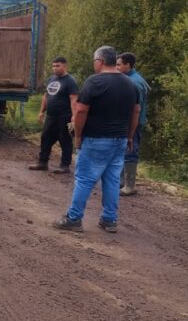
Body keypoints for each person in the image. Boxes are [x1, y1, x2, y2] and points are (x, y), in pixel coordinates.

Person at [54, 46, 140, 233]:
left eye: (95, 61)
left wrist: (77, 135)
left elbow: (81, 110)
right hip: (120, 140)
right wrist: (130, 136)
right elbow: (136, 111)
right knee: (111, 180)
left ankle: (74, 218)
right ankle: (109, 220)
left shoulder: (95, 82)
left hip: (96, 140)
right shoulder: (130, 84)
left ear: (100, 61)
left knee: (84, 179)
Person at [28, 56, 79, 174]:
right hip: (51, 116)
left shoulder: (70, 81)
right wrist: (41, 111)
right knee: (45, 138)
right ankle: (42, 163)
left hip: (64, 117)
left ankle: (65, 166)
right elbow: (46, 96)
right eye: (53, 66)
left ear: (65, 66)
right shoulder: (51, 79)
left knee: (64, 140)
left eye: (58, 66)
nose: (55, 68)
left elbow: (74, 99)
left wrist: (74, 116)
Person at [117, 52, 151, 196]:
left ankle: (130, 186)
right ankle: (122, 181)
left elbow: (135, 109)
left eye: (119, 64)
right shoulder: (129, 79)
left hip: (133, 123)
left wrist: (131, 126)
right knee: (123, 151)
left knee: (131, 151)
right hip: (127, 122)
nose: (116, 67)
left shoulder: (134, 82)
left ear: (128, 65)